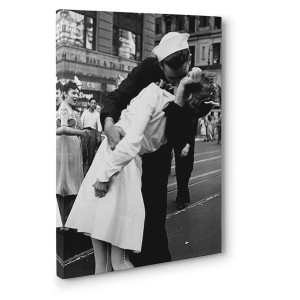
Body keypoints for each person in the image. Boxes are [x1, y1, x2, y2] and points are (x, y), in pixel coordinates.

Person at [66, 70, 217, 273]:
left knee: (108, 261)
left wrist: (103, 175)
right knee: (114, 259)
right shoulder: (174, 112)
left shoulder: (156, 95)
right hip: (122, 166)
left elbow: (130, 142)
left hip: (114, 163)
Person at [99, 32, 196, 267]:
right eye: (170, 76)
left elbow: (179, 135)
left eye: (180, 76)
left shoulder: (196, 83)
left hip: (157, 159)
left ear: (190, 59)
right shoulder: (147, 69)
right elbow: (118, 95)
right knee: (119, 222)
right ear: (160, 65)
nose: (174, 81)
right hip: (128, 159)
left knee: (152, 223)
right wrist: (109, 123)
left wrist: (181, 99)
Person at [56, 80, 90, 226]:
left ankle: (66, 219)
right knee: (65, 182)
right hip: (66, 149)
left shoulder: (70, 109)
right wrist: (80, 132)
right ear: (65, 94)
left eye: (77, 93)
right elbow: (62, 129)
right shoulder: (64, 108)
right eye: (73, 93)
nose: (76, 96)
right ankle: (64, 220)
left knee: (69, 182)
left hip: (70, 149)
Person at [81, 99, 103, 172]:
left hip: (93, 132)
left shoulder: (97, 114)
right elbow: (81, 123)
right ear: (89, 104)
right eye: (92, 103)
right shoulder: (84, 112)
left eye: (94, 103)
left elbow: (99, 125)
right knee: (84, 151)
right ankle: (82, 169)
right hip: (85, 131)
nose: (93, 104)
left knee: (91, 152)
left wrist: (99, 136)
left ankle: (89, 172)